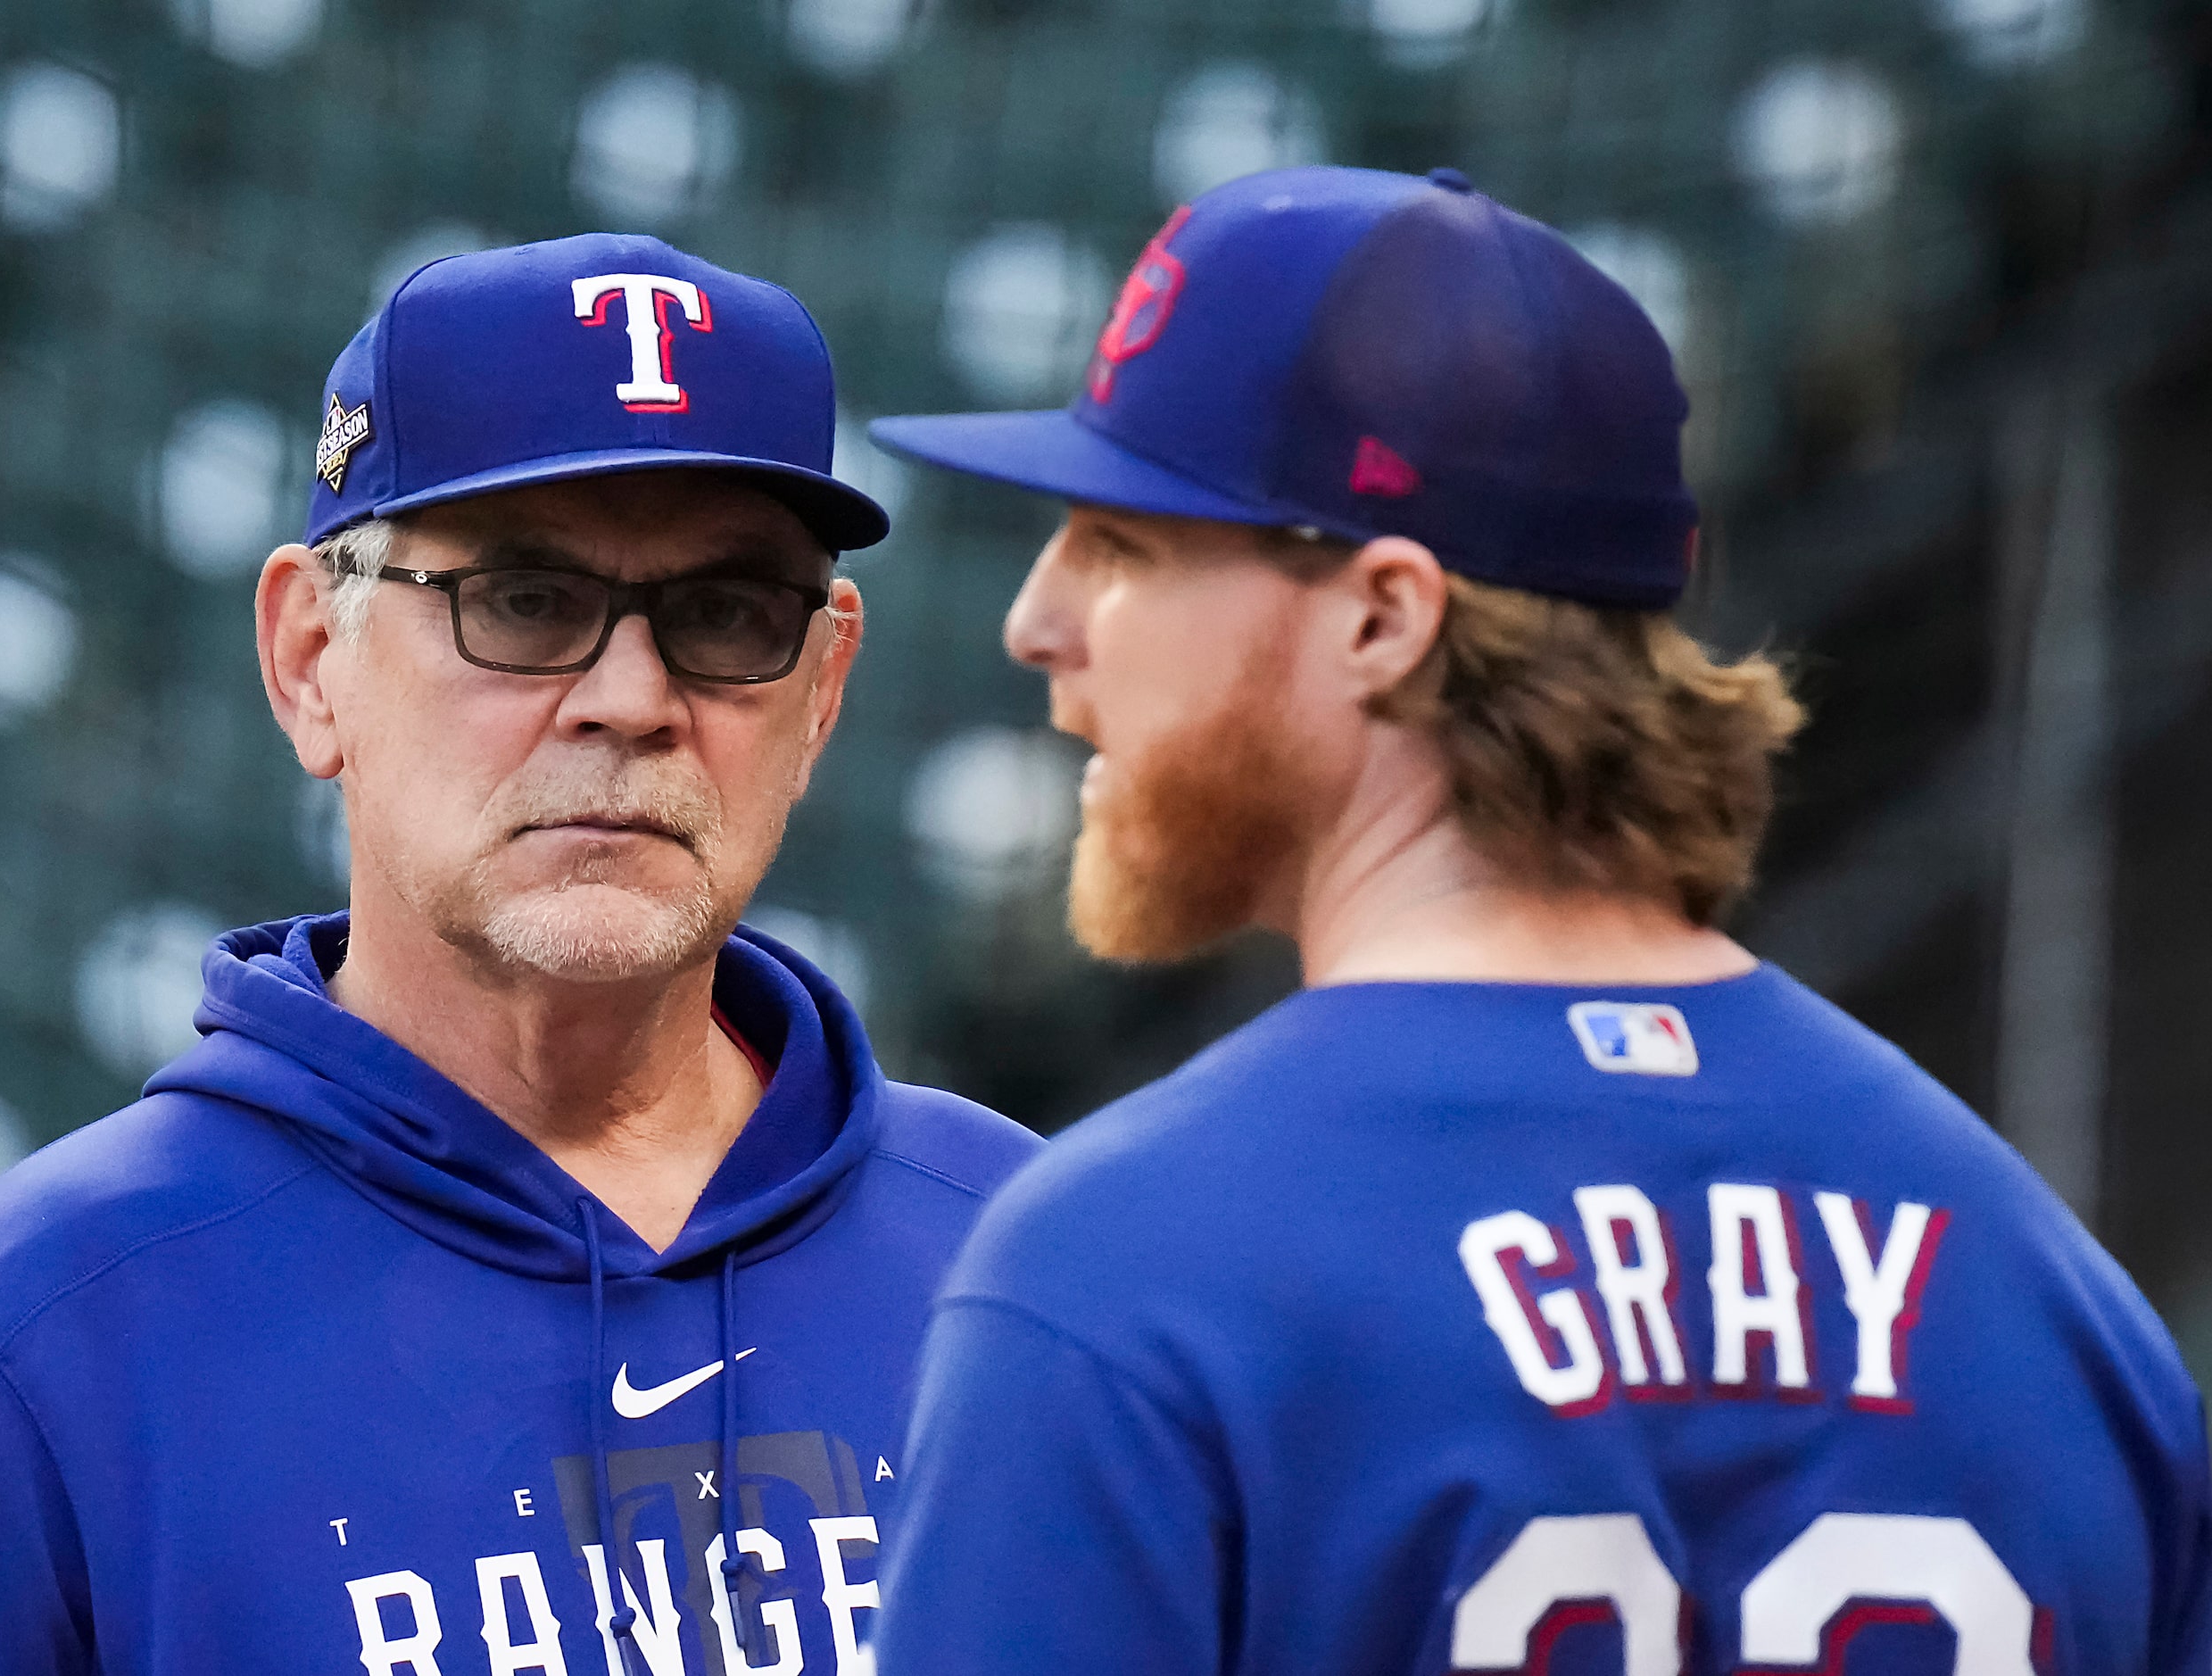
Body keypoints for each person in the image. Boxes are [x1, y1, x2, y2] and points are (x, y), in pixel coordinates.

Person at [866, 167, 2209, 1674]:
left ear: (1383, 616)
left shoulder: (1124, 1276)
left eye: (1123, 546)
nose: (1035, 626)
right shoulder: (2053, 1300)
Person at [0, 235, 1039, 1676]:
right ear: (310, 658)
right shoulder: (39, 1331)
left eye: (725, 614)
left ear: (820, 690)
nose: (628, 700)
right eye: (522, 602)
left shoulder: (1031, 1259)